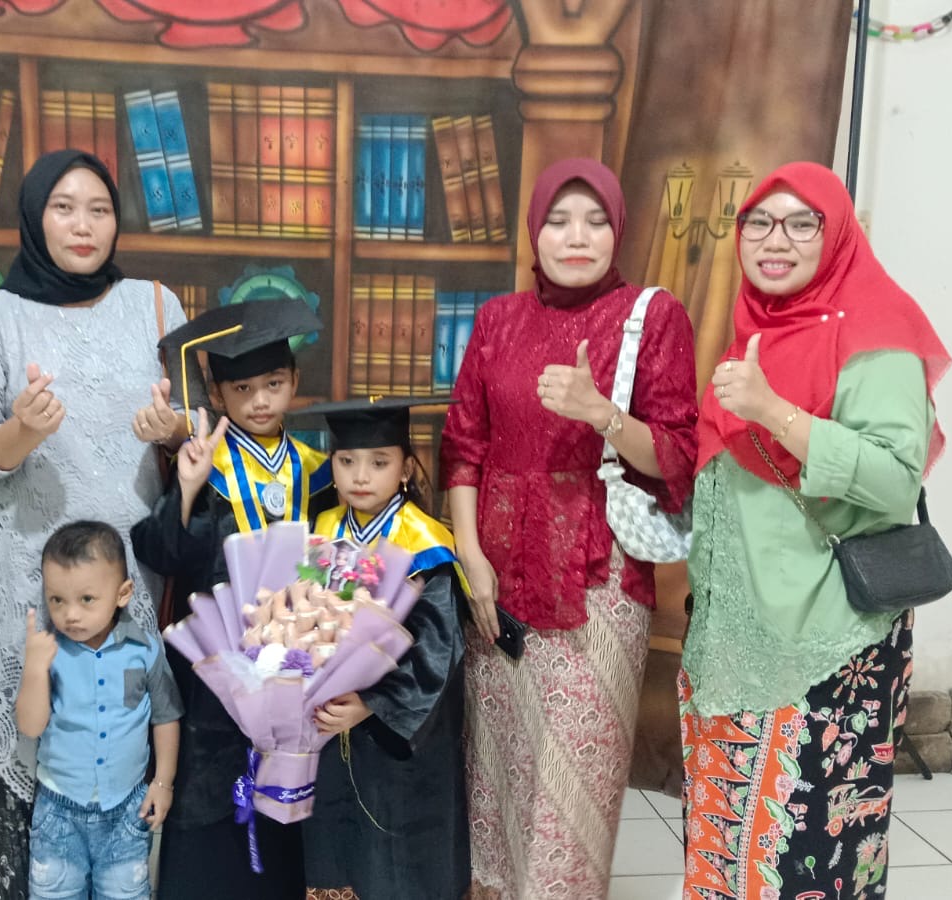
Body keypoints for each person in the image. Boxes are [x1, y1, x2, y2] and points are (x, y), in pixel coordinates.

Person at [680, 161, 950, 899]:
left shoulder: (876, 334)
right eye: (760, 223)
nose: (777, 241)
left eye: (804, 224)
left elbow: (896, 480)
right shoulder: (760, 327)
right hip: (733, 643)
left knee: (808, 862)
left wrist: (774, 411)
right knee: (726, 857)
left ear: (838, 235)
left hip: (824, 648)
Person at [440, 158, 699, 899]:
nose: (576, 237)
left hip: (597, 587)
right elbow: (464, 447)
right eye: (558, 220)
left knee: (569, 792)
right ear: (535, 231)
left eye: (595, 221)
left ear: (618, 230)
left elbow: (679, 456)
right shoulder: (498, 319)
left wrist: (602, 414)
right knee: (496, 783)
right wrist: (470, 557)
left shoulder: (652, 315)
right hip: (498, 587)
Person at [0, 150, 196, 900]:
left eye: (98, 208)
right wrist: (19, 432)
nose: (82, 224)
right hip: (26, 579)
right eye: (62, 207)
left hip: (123, 581)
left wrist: (174, 431)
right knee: (28, 766)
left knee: (111, 770)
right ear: (34, 217)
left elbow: (198, 426)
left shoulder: (156, 304)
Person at [132, 298, 333, 900]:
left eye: (273, 383)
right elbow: (164, 553)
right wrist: (187, 489)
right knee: (210, 809)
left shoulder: (319, 471)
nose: (260, 400)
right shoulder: (206, 463)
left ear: (294, 380)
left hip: (294, 668)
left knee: (284, 811)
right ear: (217, 395)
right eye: (242, 389)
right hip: (214, 680)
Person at [299, 397, 470, 900]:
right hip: (331, 722)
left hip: (395, 733)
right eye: (347, 461)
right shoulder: (324, 527)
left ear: (405, 468)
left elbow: (438, 650)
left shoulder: (425, 543)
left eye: (378, 462)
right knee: (336, 840)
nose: (360, 476)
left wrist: (372, 704)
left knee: (397, 853)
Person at [15, 521, 183, 900]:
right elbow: (30, 725)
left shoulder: (145, 649)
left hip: (126, 809)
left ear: (123, 593)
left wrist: (163, 783)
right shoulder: (48, 651)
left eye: (86, 599)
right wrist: (35, 670)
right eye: (57, 600)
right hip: (58, 812)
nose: (70, 614)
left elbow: (166, 716)